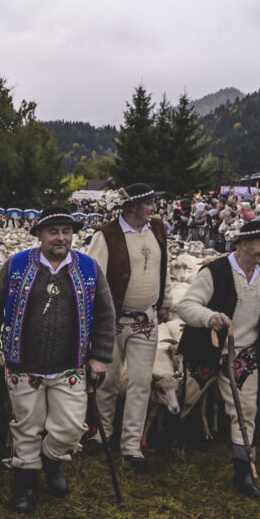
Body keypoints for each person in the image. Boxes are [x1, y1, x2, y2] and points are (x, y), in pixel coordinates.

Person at [0, 206, 115, 513]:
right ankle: (25, 483)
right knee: (26, 426)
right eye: (53, 231)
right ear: (39, 234)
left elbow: (105, 314)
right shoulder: (17, 265)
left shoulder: (88, 269)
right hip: (23, 365)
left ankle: (51, 461)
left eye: (66, 231)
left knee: (69, 427)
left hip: (70, 366)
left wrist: (100, 355)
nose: (61, 238)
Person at [176, 221, 260, 498]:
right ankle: (170, 435)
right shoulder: (214, 271)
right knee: (185, 399)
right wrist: (209, 317)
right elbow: (186, 305)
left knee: (245, 413)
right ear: (243, 245)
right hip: (208, 349)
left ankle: (243, 472)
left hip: (243, 354)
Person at [86, 183, 170, 470]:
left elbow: (163, 268)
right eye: (149, 204)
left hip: (145, 320)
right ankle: (103, 433)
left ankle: (132, 445)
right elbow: (93, 279)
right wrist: (96, 319)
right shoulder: (106, 235)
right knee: (107, 381)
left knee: (140, 382)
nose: (153, 209)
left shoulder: (157, 229)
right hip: (112, 321)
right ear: (133, 206)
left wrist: (165, 300)